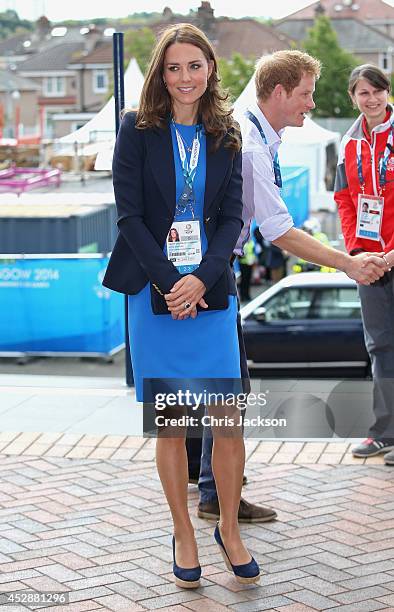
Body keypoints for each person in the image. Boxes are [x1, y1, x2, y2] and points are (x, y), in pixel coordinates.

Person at [187, 50, 388, 518]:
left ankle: (210, 482)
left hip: (206, 265)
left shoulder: (252, 125)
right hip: (210, 271)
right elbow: (277, 229)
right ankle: (217, 493)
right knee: (228, 387)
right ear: (277, 92)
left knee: (213, 383)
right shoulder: (251, 145)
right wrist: (348, 264)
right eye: (304, 94)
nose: (311, 104)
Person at [103, 23, 260, 587]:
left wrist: (200, 280)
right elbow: (129, 216)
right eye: (174, 67)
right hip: (154, 290)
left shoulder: (228, 133)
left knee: (227, 421)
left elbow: (235, 218)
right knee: (172, 426)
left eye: (195, 66)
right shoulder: (136, 130)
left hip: (210, 293)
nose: (185, 77)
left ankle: (229, 529)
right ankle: (184, 531)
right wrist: (173, 282)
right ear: (160, 74)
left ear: (210, 69)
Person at [334, 64, 394, 461]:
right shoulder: (348, 143)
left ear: (387, 92)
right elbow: (344, 201)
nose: (370, 99)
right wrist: (356, 253)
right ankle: (385, 432)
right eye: (362, 93)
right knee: (381, 348)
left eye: (376, 91)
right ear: (353, 97)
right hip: (369, 263)